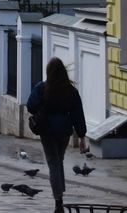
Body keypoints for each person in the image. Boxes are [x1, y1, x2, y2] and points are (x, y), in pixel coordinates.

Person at [26, 57, 88, 213]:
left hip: (47, 130)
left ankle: (58, 200)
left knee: (53, 162)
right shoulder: (71, 91)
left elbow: (31, 106)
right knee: (59, 159)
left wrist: (43, 108)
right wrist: (82, 136)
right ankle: (60, 191)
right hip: (64, 131)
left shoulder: (42, 88)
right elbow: (78, 114)